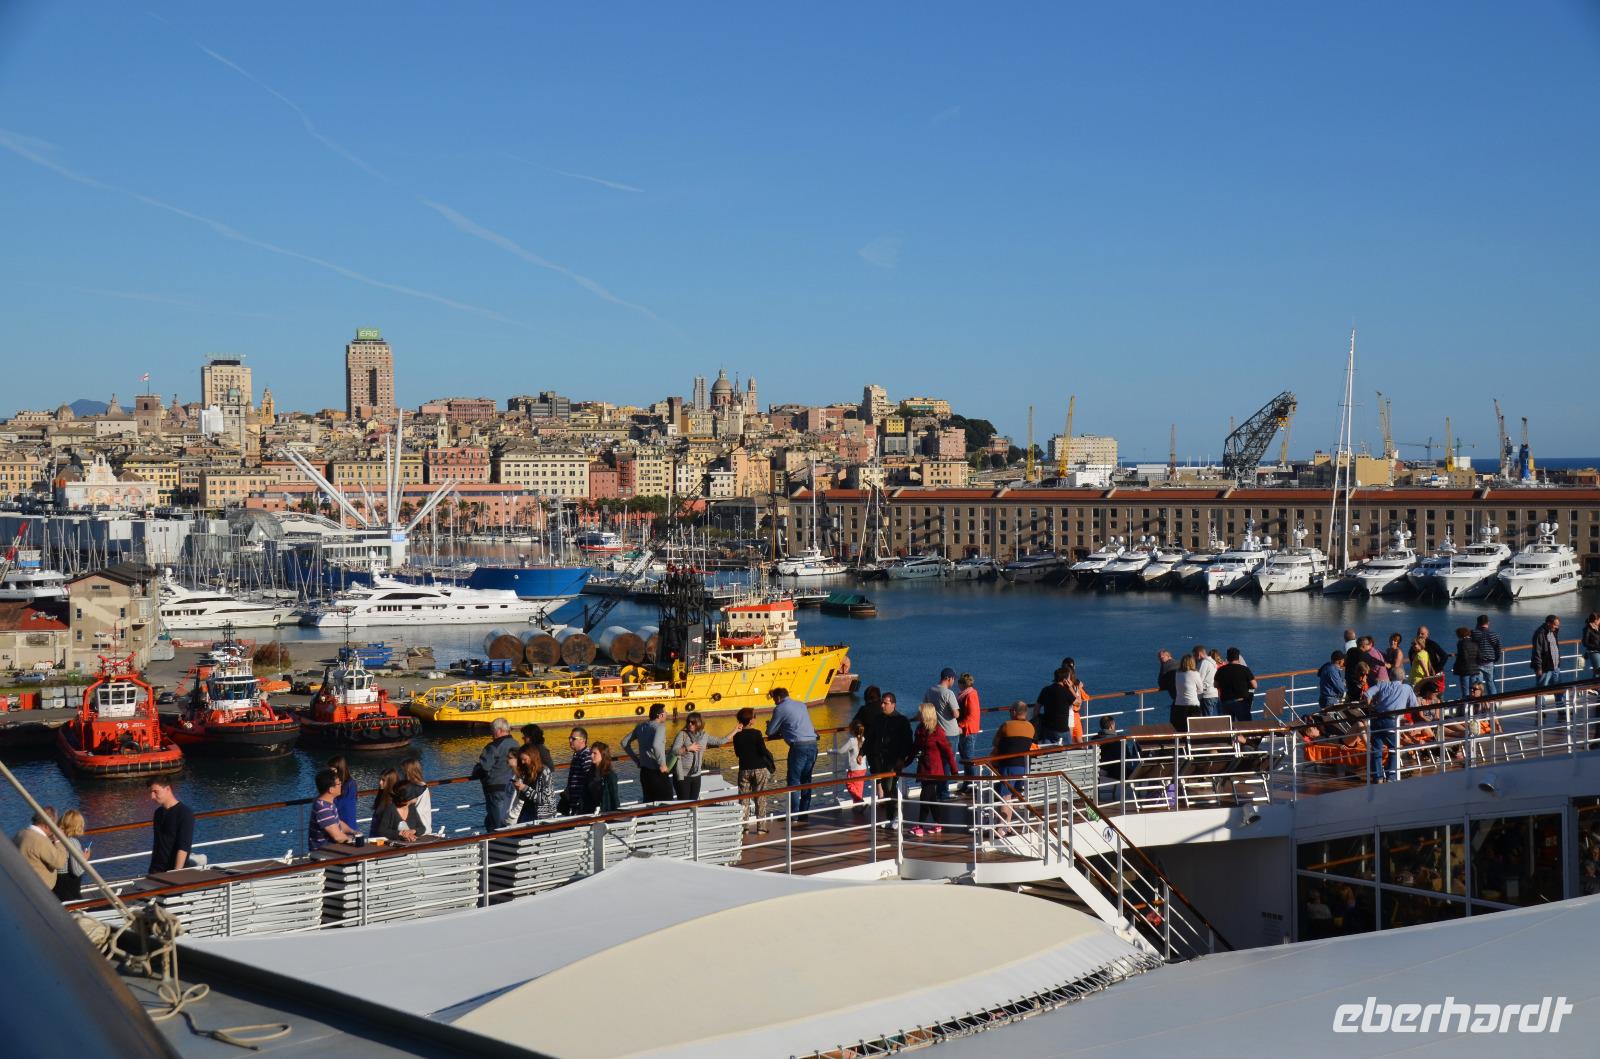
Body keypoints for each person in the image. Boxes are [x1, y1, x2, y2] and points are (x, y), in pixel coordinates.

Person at [765, 687, 819, 823]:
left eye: (774, 700)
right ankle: (804, 814)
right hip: (812, 744)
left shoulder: (780, 708)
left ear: (777, 698)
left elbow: (770, 731)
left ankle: (793, 816)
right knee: (806, 780)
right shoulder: (801, 705)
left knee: (794, 782)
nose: (774, 703)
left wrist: (773, 726)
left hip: (798, 747)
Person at [907, 703, 958, 837]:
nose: (918, 716)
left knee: (925, 796)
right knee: (932, 797)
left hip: (934, 769)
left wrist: (954, 770)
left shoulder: (938, 731)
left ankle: (920, 826)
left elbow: (948, 751)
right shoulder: (920, 730)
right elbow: (914, 748)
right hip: (923, 767)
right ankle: (938, 823)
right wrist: (905, 763)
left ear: (926, 715)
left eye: (920, 713)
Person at [866, 692, 914, 821]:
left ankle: (895, 816)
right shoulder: (878, 719)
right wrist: (862, 752)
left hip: (894, 760)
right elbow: (871, 737)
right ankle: (890, 817)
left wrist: (902, 758)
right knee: (887, 789)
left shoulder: (901, 721)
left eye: (885, 703)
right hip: (880, 759)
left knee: (890, 787)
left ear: (893, 704)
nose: (882, 705)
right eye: (882, 702)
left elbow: (907, 741)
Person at [1364, 677, 1420, 783]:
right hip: (1391, 721)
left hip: (1377, 719)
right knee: (1394, 748)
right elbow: (1414, 706)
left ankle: (1378, 777)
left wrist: (1370, 707)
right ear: (1402, 678)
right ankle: (1391, 777)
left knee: (1376, 749)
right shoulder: (1407, 688)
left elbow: (1367, 694)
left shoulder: (1382, 685)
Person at [990, 702, 1035, 829]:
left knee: (1005, 796)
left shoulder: (1006, 725)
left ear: (1014, 712)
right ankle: (1008, 826)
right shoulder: (1031, 727)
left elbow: (995, 742)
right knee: (1012, 795)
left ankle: (1000, 828)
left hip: (1008, 765)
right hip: (1023, 766)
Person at [732, 707, 776, 834]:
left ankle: (744, 827)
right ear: (751, 721)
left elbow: (737, 753)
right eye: (754, 716)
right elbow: (762, 750)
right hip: (759, 769)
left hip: (744, 769)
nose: (755, 718)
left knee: (744, 798)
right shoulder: (756, 733)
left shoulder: (737, 736)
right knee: (760, 797)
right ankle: (761, 827)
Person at [471, 718, 518, 830]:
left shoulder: (493, 747)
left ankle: (495, 844)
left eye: (492, 730)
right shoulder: (516, 744)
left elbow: (484, 768)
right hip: (512, 787)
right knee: (507, 819)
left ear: (498, 730)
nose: (491, 733)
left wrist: (476, 769)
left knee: (496, 823)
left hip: (495, 789)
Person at [669, 711, 727, 801]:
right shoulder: (683, 734)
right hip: (682, 776)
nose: (690, 724)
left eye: (693, 722)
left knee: (694, 803)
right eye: (688, 722)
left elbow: (720, 741)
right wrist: (688, 748)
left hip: (696, 775)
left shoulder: (704, 736)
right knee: (683, 803)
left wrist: (735, 730)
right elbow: (674, 751)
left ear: (699, 723)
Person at [623, 703, 673, 803]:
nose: (667, 714)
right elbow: (656, 745)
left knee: (648, 802)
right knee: (667, 802)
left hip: (645, 772)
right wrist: (662, 764)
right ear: (660, 715)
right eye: (665, 712)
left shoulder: (641, 727)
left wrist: (637, 761)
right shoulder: (660, 727)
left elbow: (624, 743)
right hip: (658, 772)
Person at [148, 778, 195, 873]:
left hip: (172, 870)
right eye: (151, 792)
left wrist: (176, 873)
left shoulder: (184, 813)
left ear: (168, 789)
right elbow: (157, 844)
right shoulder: (158, 813)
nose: (152, 796)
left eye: (155, 792)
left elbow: (183, 847)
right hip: (156, 869)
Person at [308, 768, 361, 851]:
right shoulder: (323, 808)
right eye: (339, 784)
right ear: (331, 789)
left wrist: (352, 832)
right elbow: (337, 837)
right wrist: (353, 841)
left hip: (332, 849)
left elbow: (337, 822)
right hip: (324, 853)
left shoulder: (327, 803)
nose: (341, 785)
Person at [15, 808, 65, 889]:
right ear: (47, 825)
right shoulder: (41, 841)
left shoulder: (21, 833)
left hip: (23, 884)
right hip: (39, 889)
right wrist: (59, 841)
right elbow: (59, 862)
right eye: (55, 824)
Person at [1094, 716, 1140, 804]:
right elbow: (1127, 758)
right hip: (1117, 772)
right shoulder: (1119, 740)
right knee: (1135, 749)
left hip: (1101, 770)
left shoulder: (1094, 740)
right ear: (1111, 726)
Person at [53, 808, 89, 901]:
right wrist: (85, 858)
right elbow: (76, 871)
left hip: (57, 888)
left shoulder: (55, 840)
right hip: (69, 893)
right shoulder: (72, 842)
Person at [1215, 647, 1257, 723]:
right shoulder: (1244, 669)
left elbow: (1215, 685)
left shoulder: (1221, 670)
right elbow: (1254, 685)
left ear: (1227, 658)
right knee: (1246, 726)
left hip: (1226, 702)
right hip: (1241, 702)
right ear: (1238, 658)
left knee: (1229, 727)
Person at [1034, 667, 1076, 743]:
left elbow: (1037, 708)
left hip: (1048, 729)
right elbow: (1078, 702)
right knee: (1068, 749)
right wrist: (1070, 687)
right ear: (1065, 680)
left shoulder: (1045, 690)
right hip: (1063, 730)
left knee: (1048, 751)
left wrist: (1037, 720)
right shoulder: (1066, 691)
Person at [1531, 614, 1563, 709]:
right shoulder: (1540, 633)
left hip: (1555, 666)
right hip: (1545, 667)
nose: (1557, 627)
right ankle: (1541, 711)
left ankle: (1561, 709)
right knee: (1541, 689)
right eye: (1556, 625)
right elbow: (1537, 651)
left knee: (1559, 689)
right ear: (1549, 623)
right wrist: (1539, 667)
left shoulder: (1553, 631)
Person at [562, 727, 596, 815]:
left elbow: (589, 779)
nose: (570, 740)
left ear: (583, 740)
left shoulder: (586, 756)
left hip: (581, 804)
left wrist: (582, 800)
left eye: (573, 739)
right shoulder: (577, 755)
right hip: (574, 802)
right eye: (569, 738)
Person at [955, 673, 982, 779]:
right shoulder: (965, 694)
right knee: (965, 757)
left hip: (968, 731)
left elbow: (972, 715)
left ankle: (971, 783)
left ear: (962, 684)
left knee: (968, 758)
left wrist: (960, 725)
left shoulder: (971, 695)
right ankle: (968, 782)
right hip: (964, 730)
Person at [400, 755, 434, 835]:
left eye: (403, 770)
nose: (401, 773)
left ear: (408, 771)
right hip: (421, 825)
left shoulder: (418, 788)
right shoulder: (422, 786)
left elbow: (418, 810)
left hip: (417, 828)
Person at [1471, 615, 1503, 696]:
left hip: (1477, 663)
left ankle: (1478, 704)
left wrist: (1476, 628)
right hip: (1489, 662)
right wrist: (1495, 659)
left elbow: (1470, 644)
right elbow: (1498, 649)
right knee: (1490, 683)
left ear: (1478, 623)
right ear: (1488, 622)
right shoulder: (1493, 634)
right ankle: (1493, 703)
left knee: (1478, 685)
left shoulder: (1474, 633)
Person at [840, 720, 869, 808]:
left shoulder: (852, 741)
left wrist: (830, 751)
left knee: (849, 784)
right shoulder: (865, 739)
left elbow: (841, 751)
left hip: (854, 769)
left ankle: (860, 801)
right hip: (863, 768)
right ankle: (858, 806)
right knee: (859, 788)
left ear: (852, 731)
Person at [589, 741, 621, 812]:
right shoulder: (590, 774)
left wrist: (617, 814)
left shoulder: (610, 776)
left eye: (595, 753)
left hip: (606, 812)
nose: (591, 755)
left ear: (603, 755)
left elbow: (614, 797)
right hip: (591, 812)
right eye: (591, 753)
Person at [1172, 654, 1201, 730]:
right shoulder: (1195, 674)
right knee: (1194, 728)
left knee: (1181, 728)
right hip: (1192, 704)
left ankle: (1181, 741)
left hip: (1179, 703)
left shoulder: (1177, 674)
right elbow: (1201, 689)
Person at [1452, 627, 1480, 702]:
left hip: (1465, 670)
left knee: (1465, 691)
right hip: (1474, 669)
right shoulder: (1474, 642)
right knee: (1474, 690)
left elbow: (1463, 656)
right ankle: (1474, 707)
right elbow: (1478, 655)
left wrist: (1456, 667)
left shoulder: (1461, 643)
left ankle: (1466, 708)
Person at [1193, 645, 1219, 717]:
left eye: (1194, 655)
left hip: (1206, 695)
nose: (1194, 658)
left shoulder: (1204, 663)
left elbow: (1199, 679)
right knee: (1209, 717)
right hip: (1214, 694)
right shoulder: (1212, 662)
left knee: (1206, 720)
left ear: (1199, 654)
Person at [1584, 612, 1600, 683]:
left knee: (1598, 670)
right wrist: (1596, 647)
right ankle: (1596, 687)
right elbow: (1585, 642)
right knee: (1598, 670)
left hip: (1598, 650)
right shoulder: (1588, 629)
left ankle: (1595, 686)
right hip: (1594, 652)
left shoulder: (1598, 628)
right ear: (1596, 620)